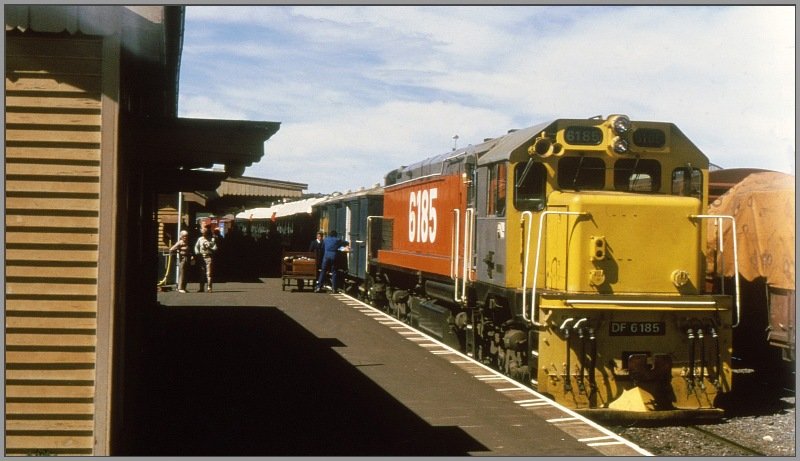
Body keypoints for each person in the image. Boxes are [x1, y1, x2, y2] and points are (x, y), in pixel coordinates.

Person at [194, 226, 218, 292]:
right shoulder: (200, 239)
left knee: (209, 273)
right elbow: (196, 247)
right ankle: (201, 288)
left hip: (208, 257)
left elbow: (215, 248)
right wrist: (197, 253)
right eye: (203, 233)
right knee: (202, 273)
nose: (204, 234)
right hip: (201, 257)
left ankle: (209, 288)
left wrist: (210, 247)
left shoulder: (211, 239)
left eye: (206, 233)